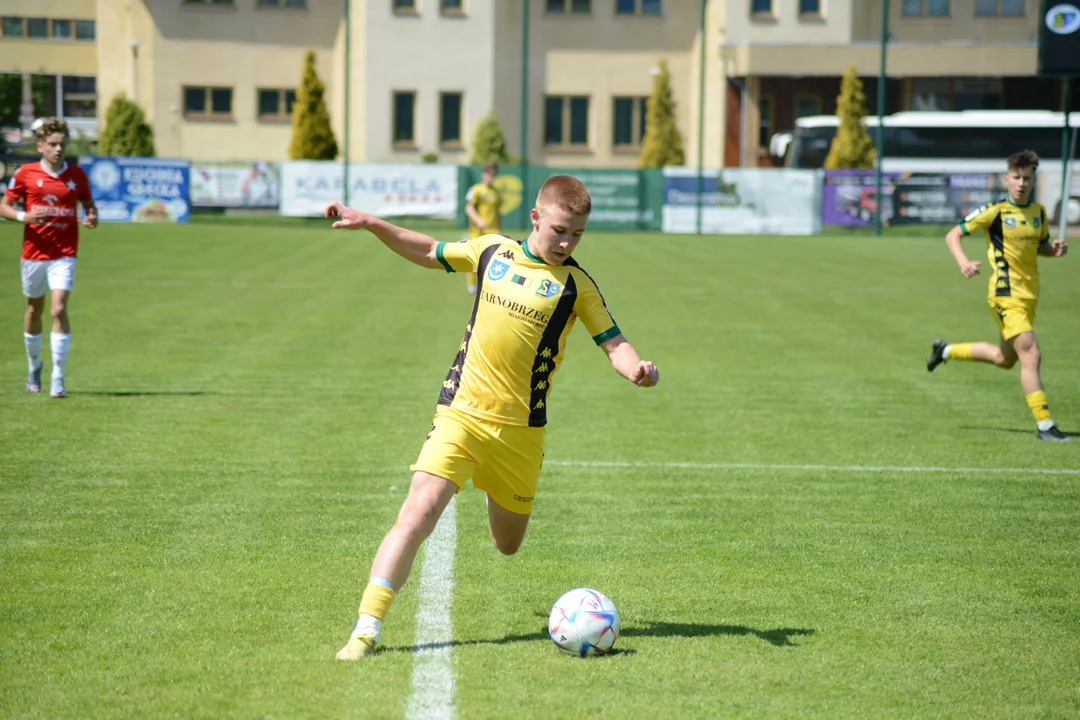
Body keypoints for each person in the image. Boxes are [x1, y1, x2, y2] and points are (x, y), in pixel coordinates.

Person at [325, 175, 660, 660]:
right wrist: (373, 223)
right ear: (536, 217)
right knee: (417, 512)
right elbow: (429, 250)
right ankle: (365, 630)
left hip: (520, 436)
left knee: (507, 545)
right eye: (561, 230)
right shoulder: (491, 251)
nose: (567, 242)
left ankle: (488, 483)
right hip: (461, 414)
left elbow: (613, 342)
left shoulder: (577, 287)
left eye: (578, 235)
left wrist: (638, 369)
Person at [926, 149, 1069, 442]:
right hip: (1005, 295)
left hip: (1030, 296)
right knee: (1031, 352)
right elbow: (953, 234)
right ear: (1006, 179)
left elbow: (1040, 247)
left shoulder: (1038, 213)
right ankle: (1045, 426)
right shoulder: (994, 211)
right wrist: (963, 262)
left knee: (1005, 359)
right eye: (1015, 177)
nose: (1021, 183)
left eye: (1026, 178)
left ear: (1033, 180)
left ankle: (945, 351)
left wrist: (1054, 250)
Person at [0, 117, 97, 398]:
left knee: (58, 310)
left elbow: (88, 203)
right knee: (34, 310)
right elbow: (4, 206)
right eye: (52, 144)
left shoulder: (77, 175)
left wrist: (91, 215)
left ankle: (58, 375)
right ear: (41, 146)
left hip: (64, 255)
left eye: (62, 144)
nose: (58, 149)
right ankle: (34, 365)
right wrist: (25, 216)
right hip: (33, 254)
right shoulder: (26, 173)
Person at [462, 162, 502, 294]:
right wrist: (478, 220)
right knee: (474, 259)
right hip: (477, 232)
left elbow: (497, 211)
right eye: (488, 174)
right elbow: (468, 207)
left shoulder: (496, 192)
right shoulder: (476, 189)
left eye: (492, 174)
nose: (490, 177)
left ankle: (487, 287)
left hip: (493, 231)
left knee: (494, 260)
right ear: (483, 174)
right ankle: (471, 285)